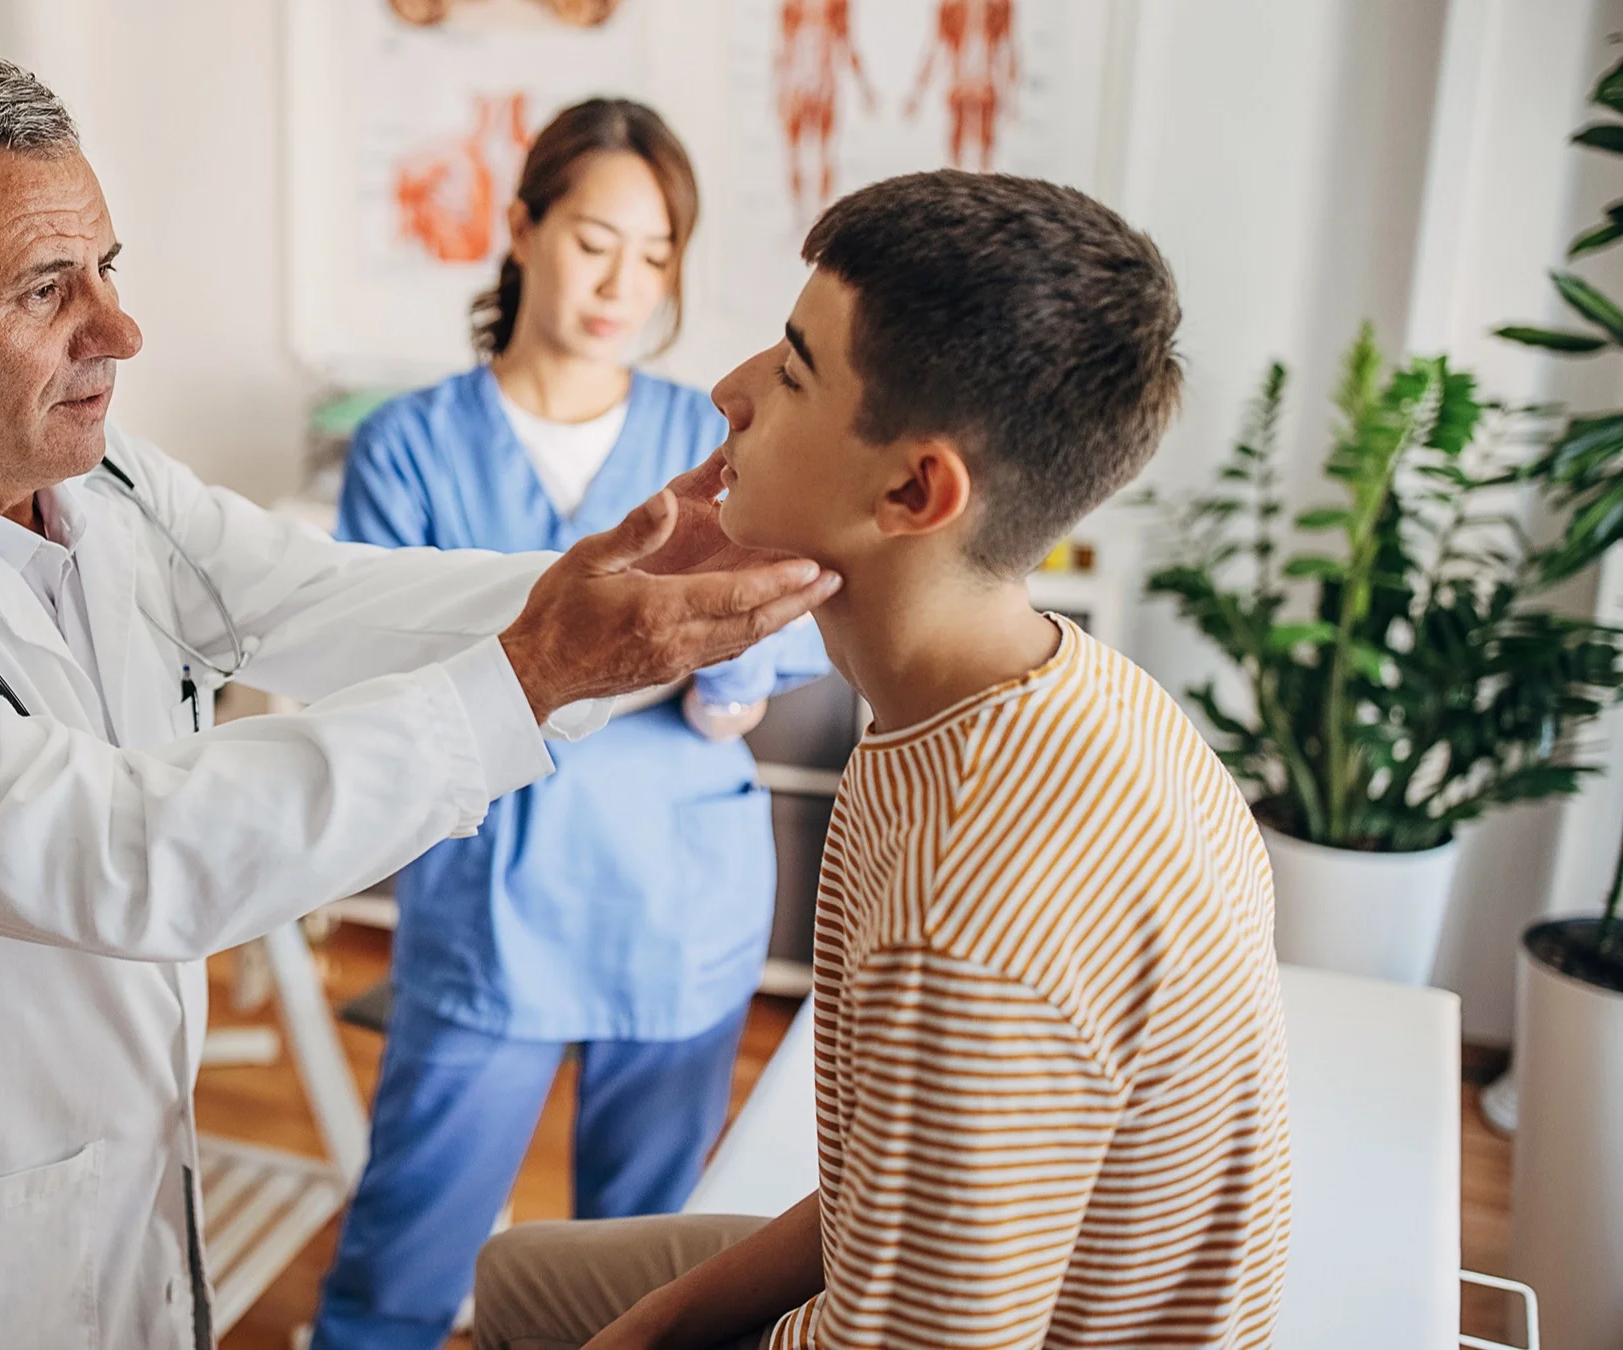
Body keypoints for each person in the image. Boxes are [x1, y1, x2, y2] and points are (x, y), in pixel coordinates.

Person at [0, 63, 839, 1350]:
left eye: (108, 267)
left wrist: (636, 576)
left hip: (121, 1188)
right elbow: (137, 855)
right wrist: (538, 670)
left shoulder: (108, 490)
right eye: (48, 290)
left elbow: (326, 598)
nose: (119, 331)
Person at [471, 171, 1294, 1349]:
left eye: (794, 370)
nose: (729, 390)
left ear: (915, 489)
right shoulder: (1043, 689)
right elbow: (890, 1193)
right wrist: (653, 1324)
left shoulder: (969, 921)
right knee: (526, 1283)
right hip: (922, 1273)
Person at [315, 98, 830, 1350]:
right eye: (597, 239)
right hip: (489, 916)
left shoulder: (713, 439)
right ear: (525, 226)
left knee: (636, 1284)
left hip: (680, 913)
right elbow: (381, 674)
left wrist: (726, 673)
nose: (625, 283)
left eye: (656, 256)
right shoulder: (411, 445)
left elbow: (766, 656)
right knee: (400, 1262)